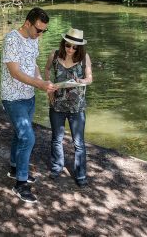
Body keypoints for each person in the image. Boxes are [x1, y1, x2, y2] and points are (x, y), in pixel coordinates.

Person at [1, 7, 56, 203]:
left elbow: (33, 65)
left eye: (44, 31)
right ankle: (20, 184)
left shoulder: (34, 40)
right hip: (13, 97)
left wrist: (42, 81)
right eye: (38, 30)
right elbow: (15, 72)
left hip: (29, 96)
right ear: (27, 23)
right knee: (27, 137)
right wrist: (40, 84)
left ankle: (15, 169)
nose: (40, 34)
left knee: (19, 135)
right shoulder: (11, 40)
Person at [44, 28, 93, 187]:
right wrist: (48, 87)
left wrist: (82, 81)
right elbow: (46, 69)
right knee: (56, 139)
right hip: (56, 105)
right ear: (63, 43)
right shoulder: (55, 54)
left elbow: (90, 78)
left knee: (79, 143)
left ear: (80, 48)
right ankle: (57, 168)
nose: (70, 49)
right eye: (68, 45)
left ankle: (80, 175)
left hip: (77, 107)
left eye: (74, 47)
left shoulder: (84, 57)